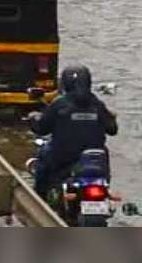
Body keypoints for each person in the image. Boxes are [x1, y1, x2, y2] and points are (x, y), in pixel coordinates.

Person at [32, 65, 118, 197]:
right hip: (94, 159)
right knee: (103, 155)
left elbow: (42, 129)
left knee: (43, 155)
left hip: (63, 158)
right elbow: (112, 130)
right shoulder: (97, 104)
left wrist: (33, 120)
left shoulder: (59, 105)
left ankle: (40, 199)